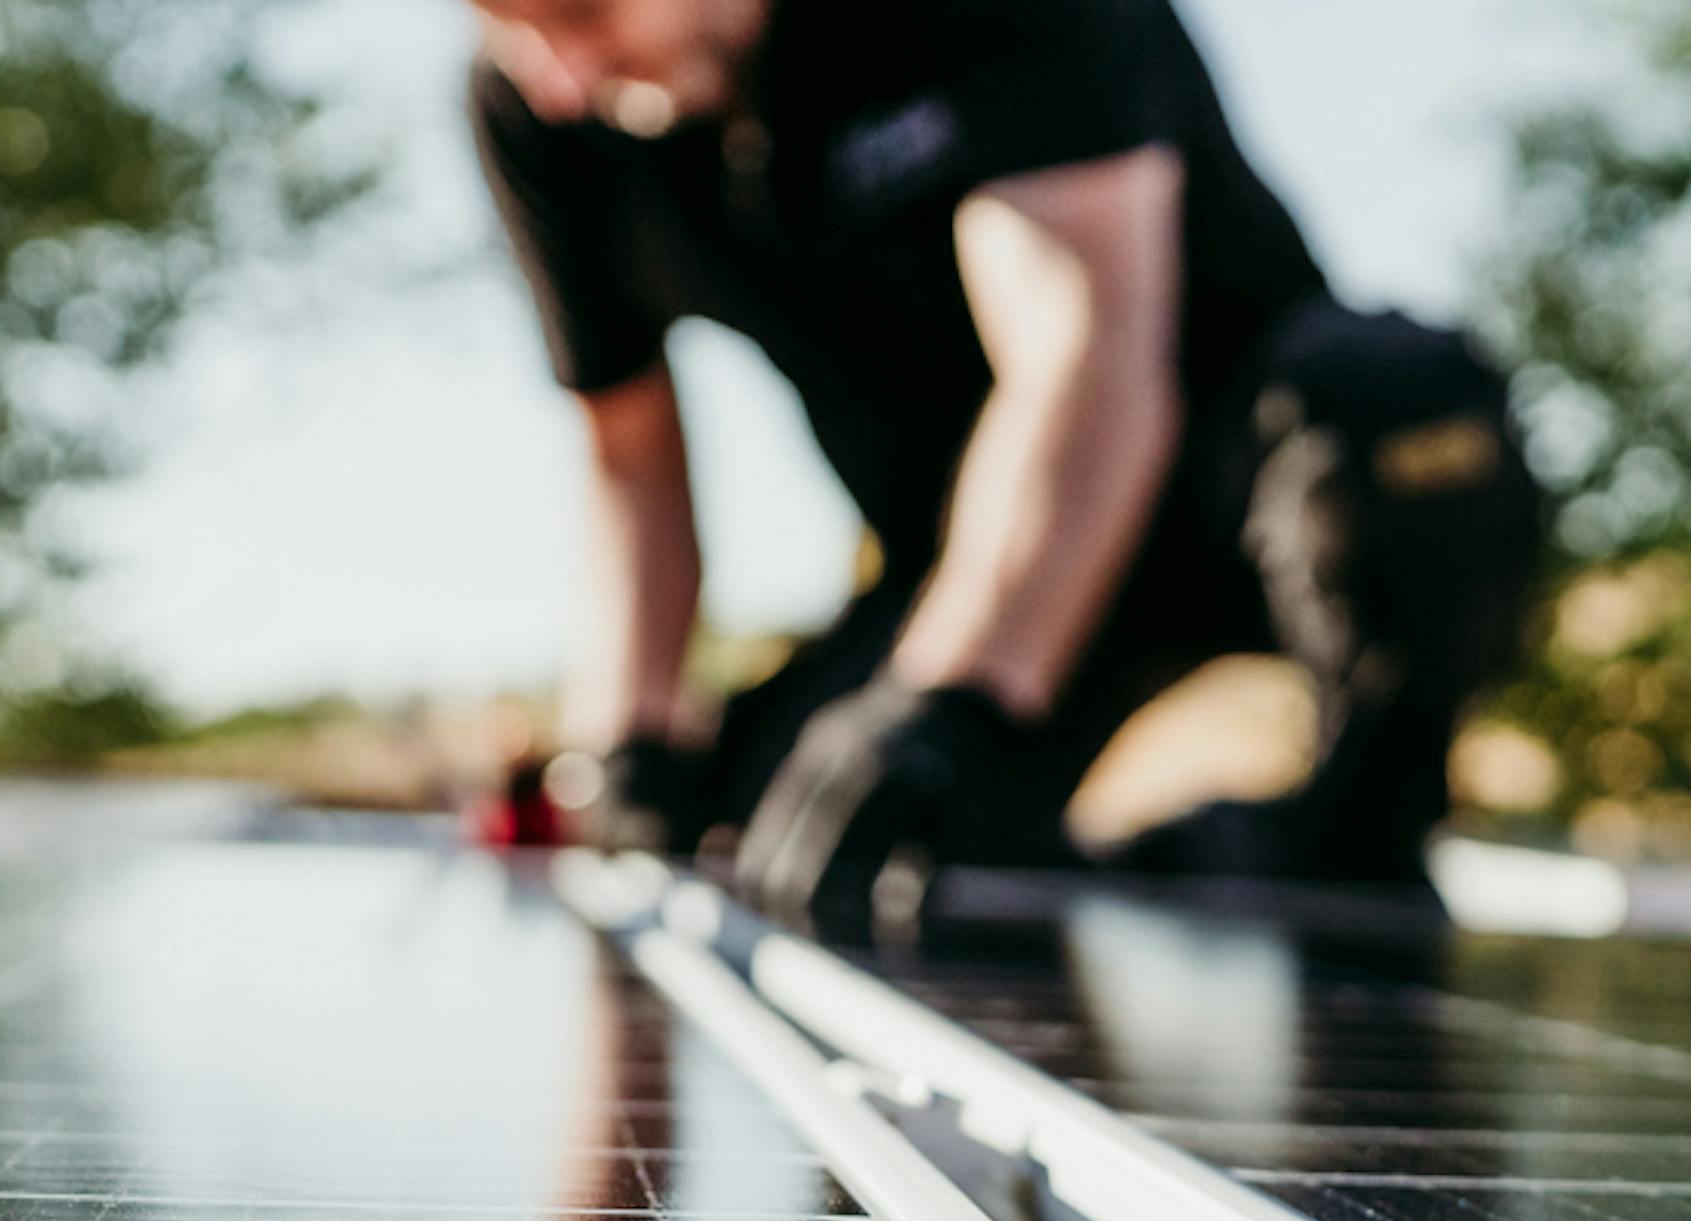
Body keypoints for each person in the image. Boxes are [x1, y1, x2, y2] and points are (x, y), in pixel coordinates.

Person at [468, 0, 1541, 940]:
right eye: (513, 33)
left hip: (1235, 496)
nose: (560, 78)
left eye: (580, 12)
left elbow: (1086, 357)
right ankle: (1089, 851)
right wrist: (626, 749)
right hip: (966, 563)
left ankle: (1354, 851)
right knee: (803, 826)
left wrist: (954, 696)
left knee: (1405, 418)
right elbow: (627, 450)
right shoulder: (542, 112)